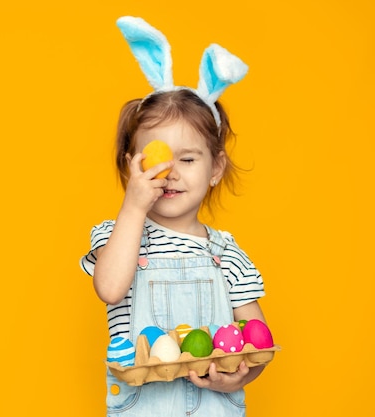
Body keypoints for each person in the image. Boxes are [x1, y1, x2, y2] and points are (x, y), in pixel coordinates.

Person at [79, 16, 269, 416]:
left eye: (188, 159)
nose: (172, 173)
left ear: (215, 169)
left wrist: (241, 376)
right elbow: (111, 288)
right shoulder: (118, 236)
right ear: (132, 166)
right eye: (157, 160)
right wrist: (133, 207)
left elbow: (258, 340)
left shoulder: (227, 253)